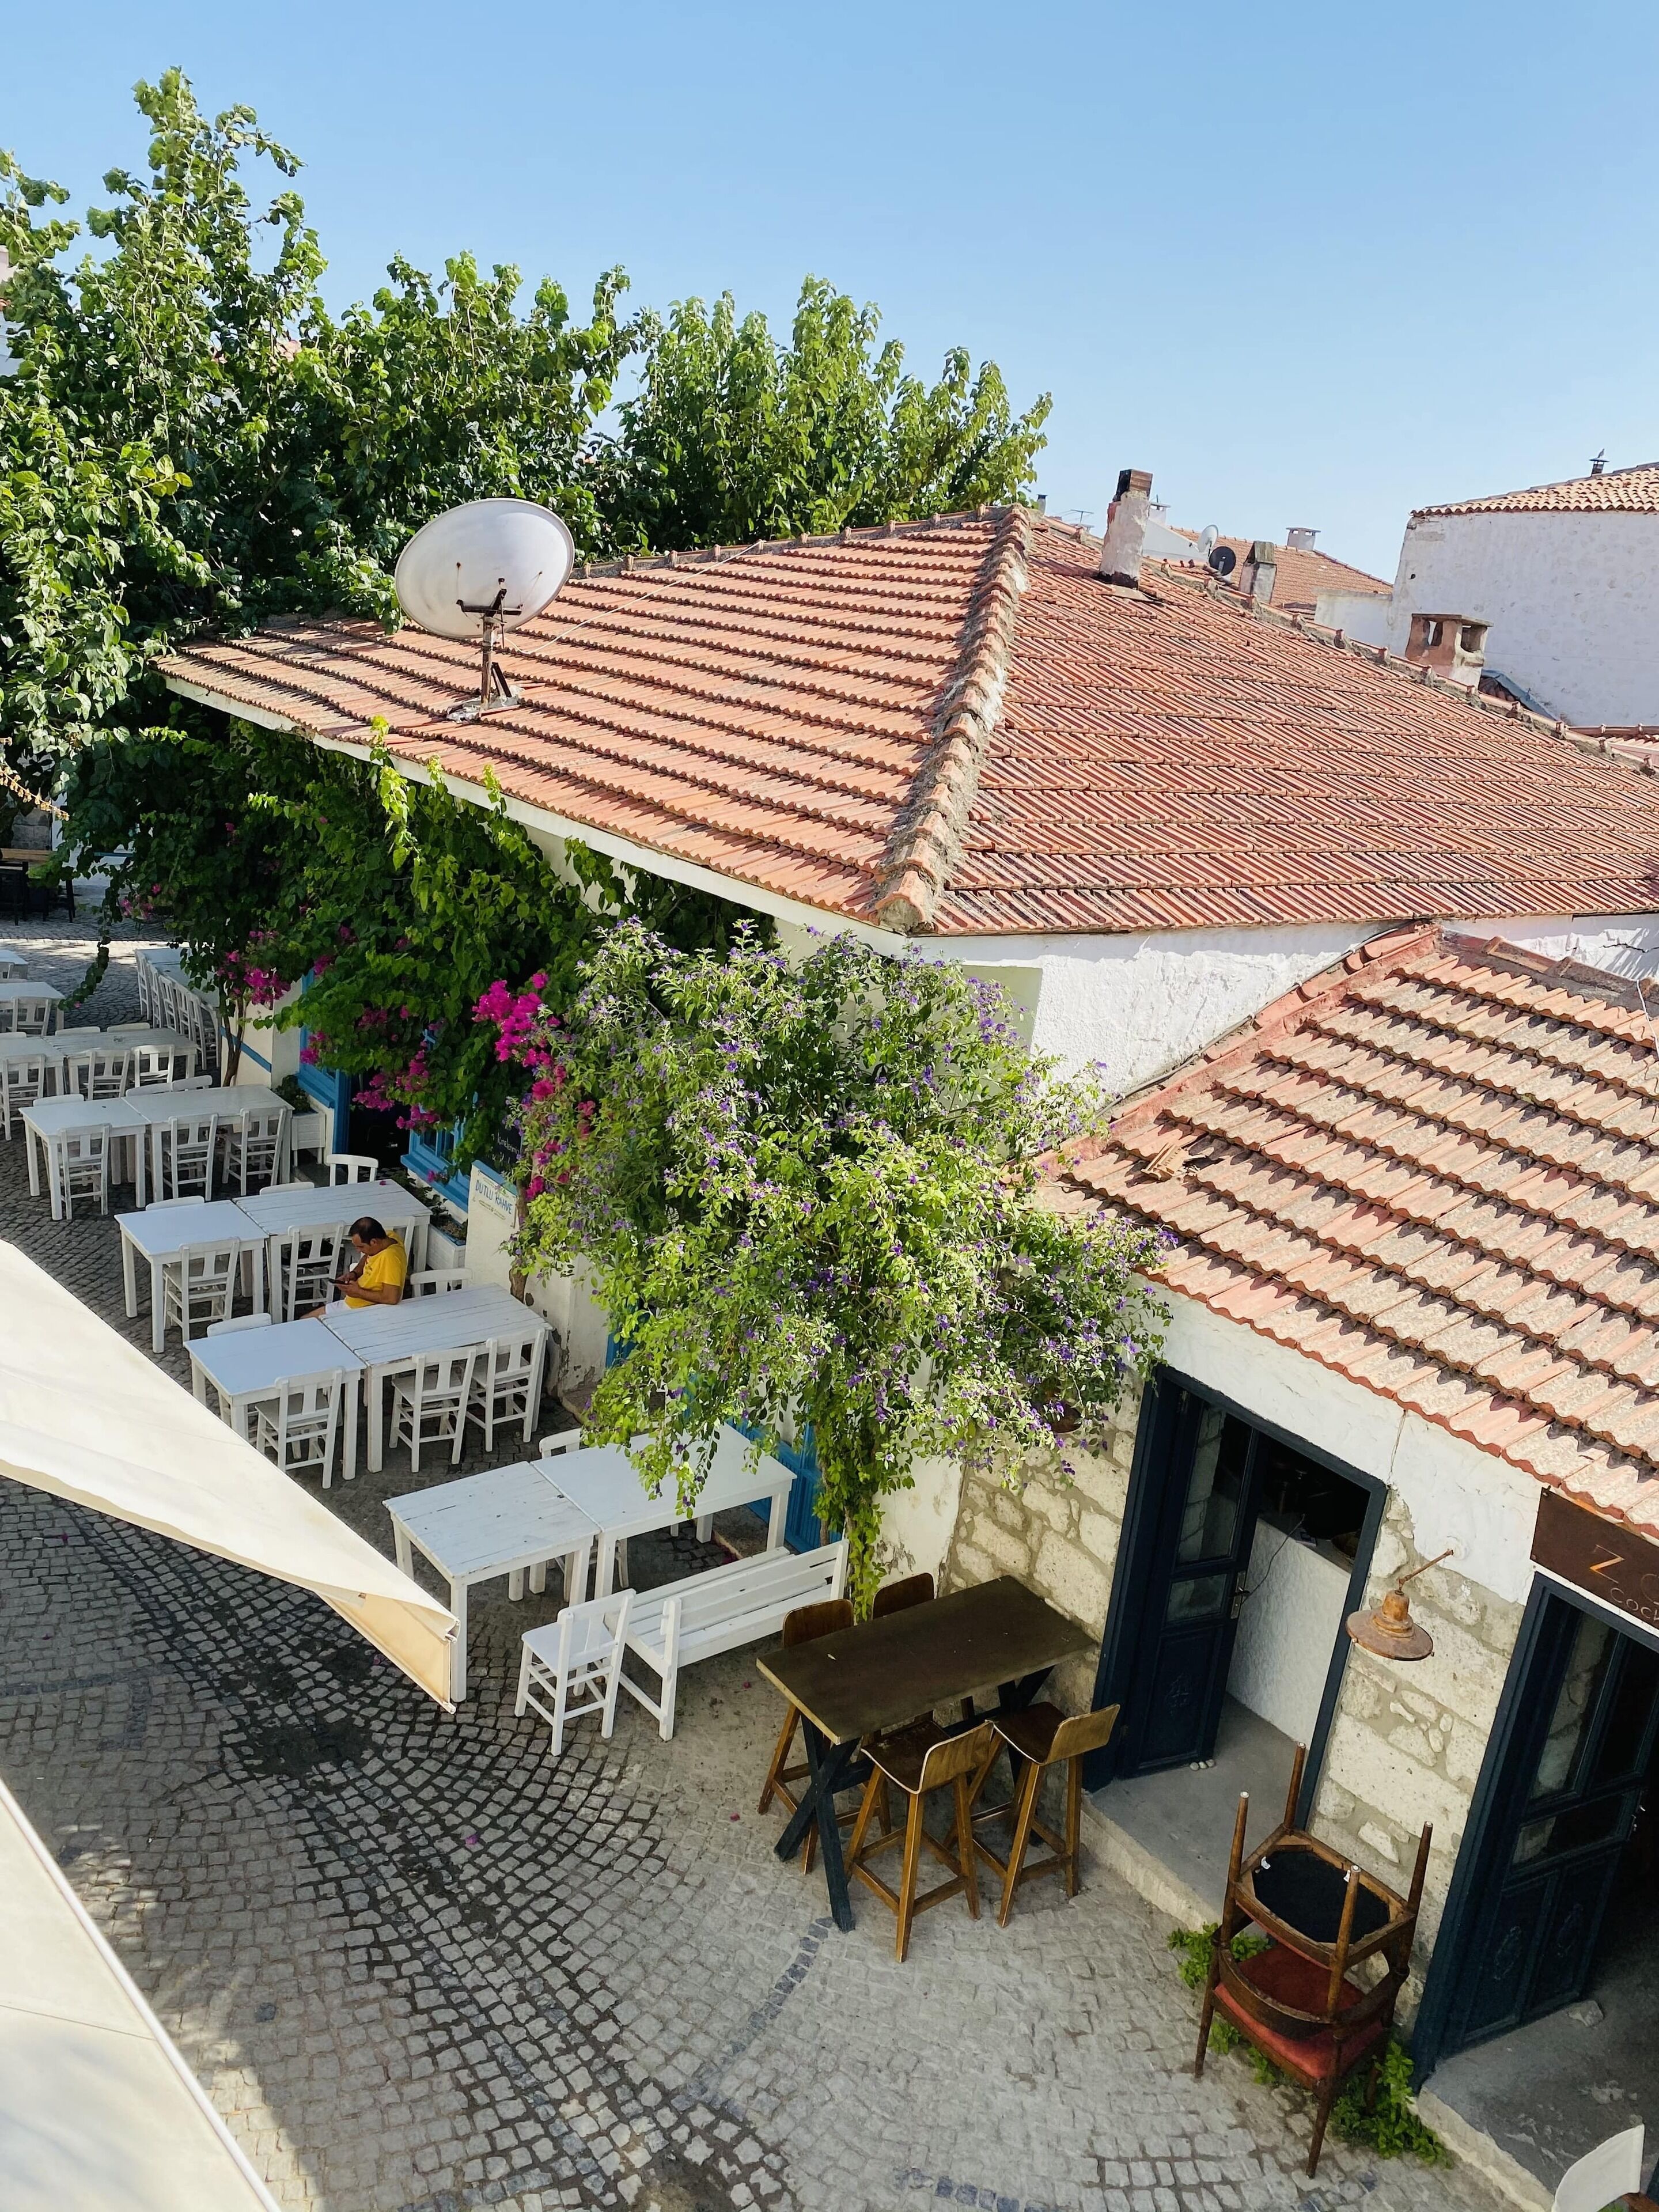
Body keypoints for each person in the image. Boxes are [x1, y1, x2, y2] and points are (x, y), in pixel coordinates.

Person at [305, 1217, 407, 1317]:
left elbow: (392, 1298)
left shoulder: (390, 1258)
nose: (358, 1251)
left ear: (374, 1242)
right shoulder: (388, 1237)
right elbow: (368, 1256)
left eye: (361, 1247)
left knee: (305, 1321)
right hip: (354, 1302)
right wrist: (355, 1274)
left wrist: (358, 1292)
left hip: (360, 1308)